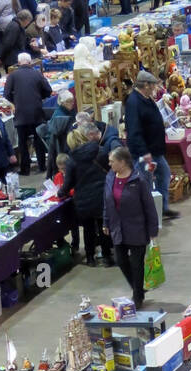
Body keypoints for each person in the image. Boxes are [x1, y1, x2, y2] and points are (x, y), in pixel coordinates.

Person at [103, 146, 159, 307]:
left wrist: (153, 230)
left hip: (137, 228)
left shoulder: (138, 180)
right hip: (117, 227)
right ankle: (138, 288)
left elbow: (149, 206)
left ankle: (137, 297)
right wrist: (106, 221)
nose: (109, 164)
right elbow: (107, 201)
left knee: (137, 264)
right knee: (120, 260)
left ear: (122, 162)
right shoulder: (110, 178)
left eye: (112, 161)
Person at [125, 70, 176, 220]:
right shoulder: (134, 102)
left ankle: (162, 207)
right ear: (145, 85)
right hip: (145, 154)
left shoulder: (145, 98)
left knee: (164, 174)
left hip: (154, 151)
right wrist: (143, 152)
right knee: (145, 182)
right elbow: (134, 130)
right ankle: (148, 214)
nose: (155, 88)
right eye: (153, 85)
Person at [62, 122, 116, 265]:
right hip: (101, 196)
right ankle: (107, 256)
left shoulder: (71, 160)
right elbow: (111, 171)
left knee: (88, 229)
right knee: (103, 226)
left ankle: (90, 258)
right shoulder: (101, 151)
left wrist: (60, 192)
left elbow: (68, 184)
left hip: (83, 200)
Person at [4, 54, 51, 175]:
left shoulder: (13, 75)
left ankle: (25, 169)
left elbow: (7, 93)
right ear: (30, 62)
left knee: (23, 142)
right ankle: (42, 166)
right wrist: (40, 98)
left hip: (21, 114)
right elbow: (48, 90)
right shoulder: (37, 74)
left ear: (19, 62)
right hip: (36, 112)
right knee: (38, 140)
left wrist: (16, 101)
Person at [43, 89, 78, 177]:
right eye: (68, 101)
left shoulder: (70, 111)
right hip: (62, 143)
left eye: (72, 101)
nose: (72, 103)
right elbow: (57, 131)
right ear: (62, 103)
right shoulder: (59, 115)